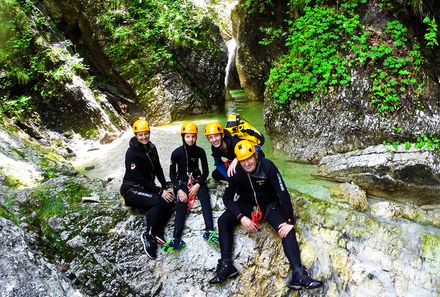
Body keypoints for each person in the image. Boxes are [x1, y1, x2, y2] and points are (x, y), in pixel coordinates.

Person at [209, 140, 323, 290]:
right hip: (247, 205)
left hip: (269, 205)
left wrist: (290, 221)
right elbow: (227, 199)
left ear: (255, 156)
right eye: (242, 160)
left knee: (287, 230)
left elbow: (283, 194)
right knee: (223, 221)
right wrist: (241, 217)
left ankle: (298, 274)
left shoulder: (268, 166)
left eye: (249, 158)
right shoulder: (235, 172)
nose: (247, 163)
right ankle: (226, 265)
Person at [120, 119, 175, 260]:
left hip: (146, 188)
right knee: (158, 200)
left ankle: (158, 232)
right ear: (136, 135)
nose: (144, 137)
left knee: (169, 201)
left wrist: (164, 186)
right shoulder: (131, 153)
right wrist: (159, 191)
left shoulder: (152, 148)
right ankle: (149, 236)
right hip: (132, 189)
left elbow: (158, 169)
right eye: (140, 135)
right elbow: (138, 178)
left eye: (146, 134)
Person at [162, 122, 219, 251]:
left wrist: (198, 184)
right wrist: (179, 189)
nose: (190, 139)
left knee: (205, 199)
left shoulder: (200, 151)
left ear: (196, 137)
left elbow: (205, 172)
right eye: (188, 136)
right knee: (181, 203)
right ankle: (176, 238)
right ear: (183, 136)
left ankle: (209, 231)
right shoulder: (176, 153)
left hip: (197, 180)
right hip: (182, 182)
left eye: (193, 136)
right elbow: (171, 174)